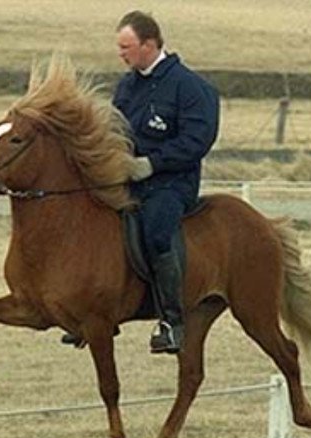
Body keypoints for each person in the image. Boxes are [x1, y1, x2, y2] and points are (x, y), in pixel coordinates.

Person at [62, 10, 219, 354]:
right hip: (128, 180)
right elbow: (115, 129)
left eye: (126, 47)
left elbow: (198, 139)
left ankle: (172, 321)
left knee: (156, 231)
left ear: (149, 44)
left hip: (171, 185)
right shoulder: (127, 85)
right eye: (119, 47)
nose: (121, 54)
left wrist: (152, 164)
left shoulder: (192, 88)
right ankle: (94, 312)